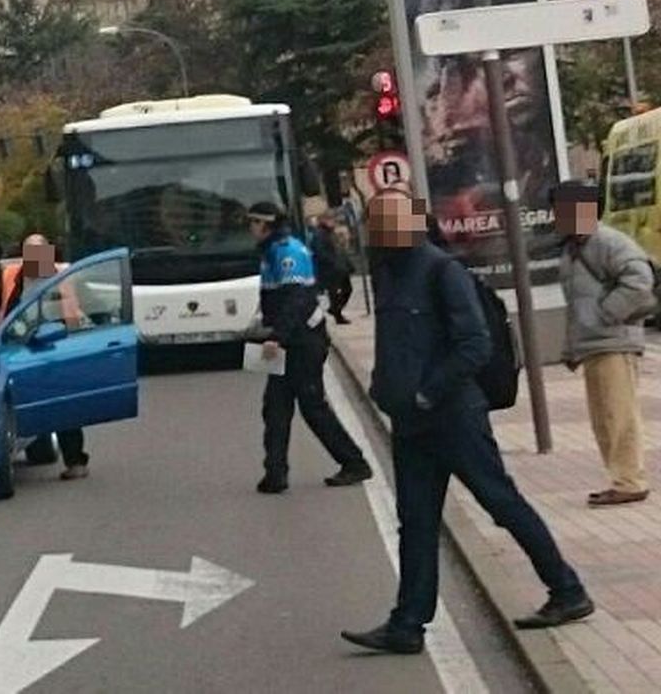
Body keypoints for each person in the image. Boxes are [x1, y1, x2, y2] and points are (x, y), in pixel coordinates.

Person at [342, 190, 592, 655]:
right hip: (412, 424)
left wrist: (427, 391)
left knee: (501, 502)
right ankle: (408, 624)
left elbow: (474, 344)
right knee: (415, 521)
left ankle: (567, 590)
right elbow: (396, 342)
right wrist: (385, 389)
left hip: (454, 416)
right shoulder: (387, 273)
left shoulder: (442, 270)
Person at [246, 202, 370, 494]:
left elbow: (297, 299)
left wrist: (276, 336)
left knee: (313, 406)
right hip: (288, 341)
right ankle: (275, 473)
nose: (250, 229)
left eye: (253, 222)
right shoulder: (270, 252)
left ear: (266, 225)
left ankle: (354, 463)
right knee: (275, 407)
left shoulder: (289, 252)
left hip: (303, 342)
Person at [551, 181, 655, 507]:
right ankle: (619, 477)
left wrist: (606, 314)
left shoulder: (608, 242)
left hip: (615, 342)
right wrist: (571, 348)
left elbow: (640, 280)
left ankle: (630, 480)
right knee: (603, 418)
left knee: (618, 415)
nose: (557, 216)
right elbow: (574, 308)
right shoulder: (571, 250)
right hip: (594, 344)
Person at [0, 234, 89, 480]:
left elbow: (75, 313)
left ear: (49, 253)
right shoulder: (10, 276)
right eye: (30, 253)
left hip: (54, 347)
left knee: (64, 404)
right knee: (21, 402)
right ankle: (28, 444)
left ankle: (75, 460)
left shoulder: (62, 276)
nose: (36, 259)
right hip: (17, 348)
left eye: (40, 252)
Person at [311, 212, 353, 325]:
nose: (333, 222)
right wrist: (333, 262)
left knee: (346, 290)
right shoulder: (319, 234)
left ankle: (335, 310)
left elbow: (339, 249)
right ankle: (337, 314)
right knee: (334, 293)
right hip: (330, 270)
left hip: (338, 268)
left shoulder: (330, 233)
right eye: (330, 219)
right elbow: (320, 252)